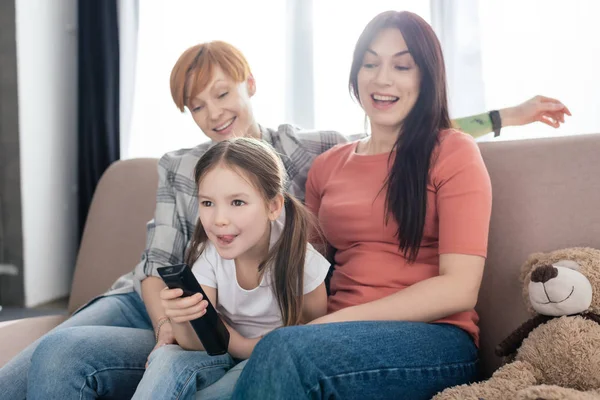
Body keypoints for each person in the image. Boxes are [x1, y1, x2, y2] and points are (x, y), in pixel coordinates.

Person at [0, 37, 570, 399]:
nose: (213, 113)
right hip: (170, 298)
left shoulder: (312, 151)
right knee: (58, 353)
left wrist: (506, 115)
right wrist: (173, 324)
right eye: (196, 105)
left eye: (221, 94)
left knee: (278, 350)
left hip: (325, 326)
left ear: (249, 85)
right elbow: (170, 262)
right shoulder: (212, 165)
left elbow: (413, 134)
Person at [231, 10, 492, 399]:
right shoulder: (327, 165)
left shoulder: (453, 152)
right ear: (356, 74)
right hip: (333, 334)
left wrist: (332, 325)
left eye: (402, 66)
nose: (382, 78)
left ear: (427, 76)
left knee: (287, 352)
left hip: (436, 338)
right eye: (370, 63)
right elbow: (307, 273)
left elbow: (459, 288)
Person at [131, 137, 330, 399]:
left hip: (270, 359)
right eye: (207, 203)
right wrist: (180, 319)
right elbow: (197, 342)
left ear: (273, 206)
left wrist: (253, 351)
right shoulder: (210, 255)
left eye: (237, 202)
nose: (219, 220)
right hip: (221, 350)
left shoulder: (301, 261)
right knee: (167, 356)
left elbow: (313, 336)